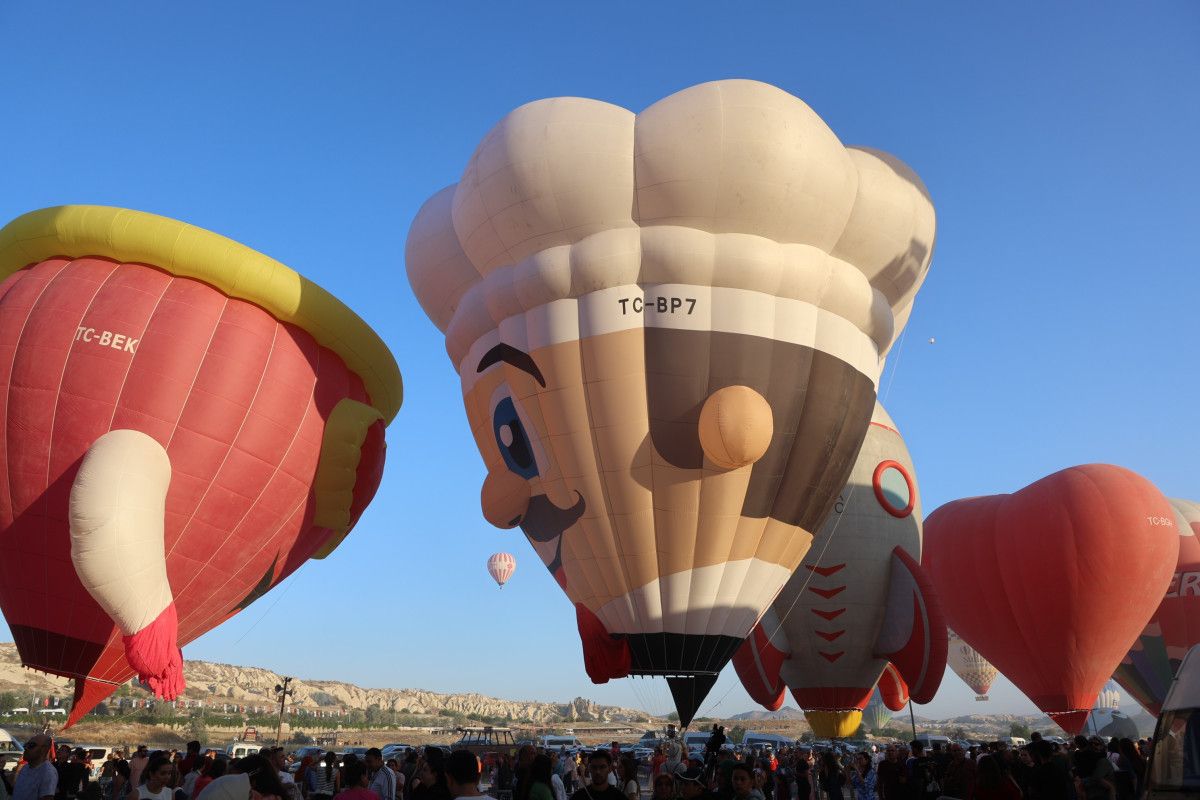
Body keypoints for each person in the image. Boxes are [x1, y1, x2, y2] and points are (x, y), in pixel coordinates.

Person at [15, 736, 58, 800]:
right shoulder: (25, 767)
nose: (26, 748)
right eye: (26, 745)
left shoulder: (48, 773)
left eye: (31, 745)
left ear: (44, 749)